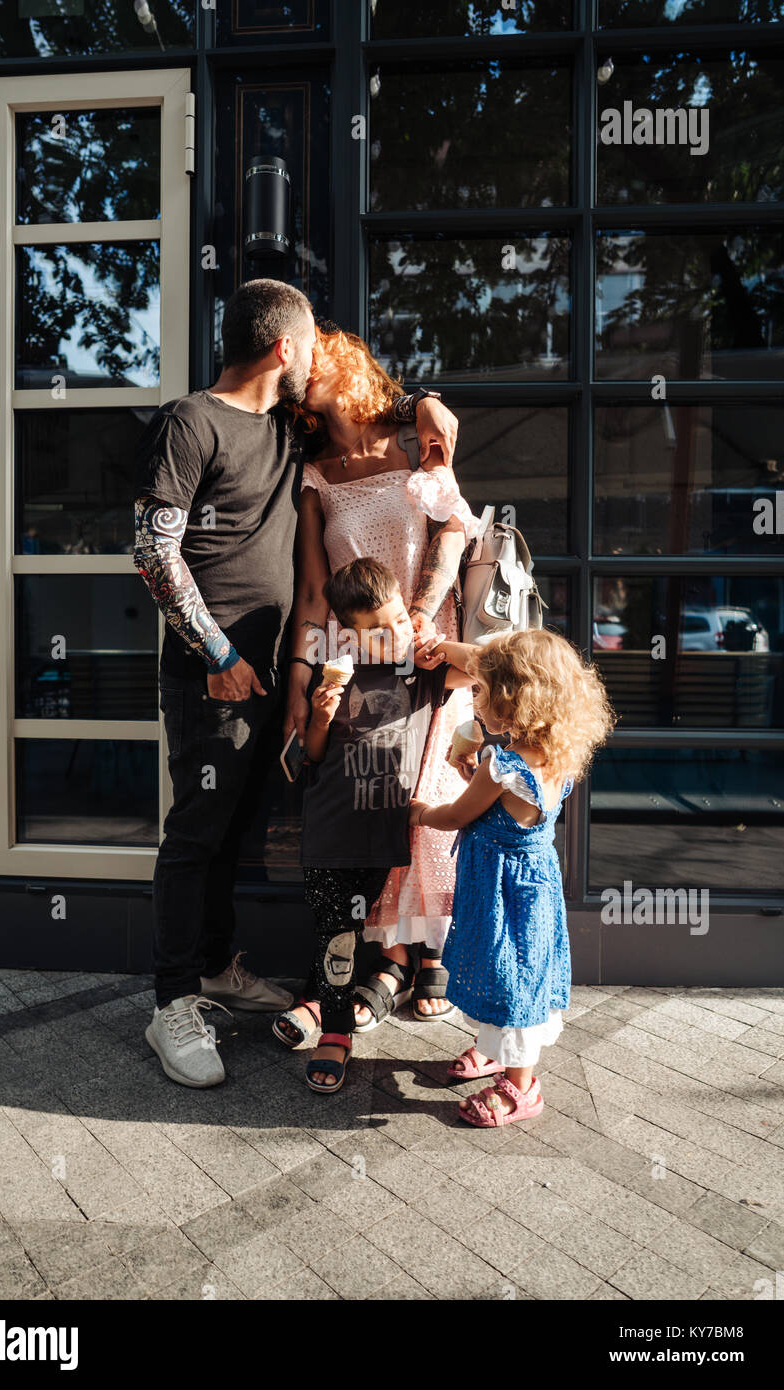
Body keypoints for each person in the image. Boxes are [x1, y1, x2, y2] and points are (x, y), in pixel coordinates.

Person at [132, 278, 460, 1087]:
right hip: (214, 674)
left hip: (278, 672)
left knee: (237, 830)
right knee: (196, 835)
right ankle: (171, 1000)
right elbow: (151, 551)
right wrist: (218, 656)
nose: (316, 357)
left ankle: (213, 969)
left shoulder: (285, 428)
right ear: (285, 346)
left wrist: (425, 404)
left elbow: (377, 404)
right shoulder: (190, 421)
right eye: (310, 341)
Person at [278, 325, 478, 1047]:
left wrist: (423, 612)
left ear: (347, 363)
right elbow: (309, 592)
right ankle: (388, 958)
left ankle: (430, 956)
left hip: (427, 643)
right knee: (377, 791)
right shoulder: (313, 472)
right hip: (353, 657)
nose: (305, 369)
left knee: (433, 787)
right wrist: (298, 688)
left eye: (317, 356)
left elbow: (453, 529)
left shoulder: (409, 439)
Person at [409, 628, 615, 1127]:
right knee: (520, 969)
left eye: (481, 690)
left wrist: (417, 812)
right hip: (534, 885)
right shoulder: (555, 754)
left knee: (509, 975)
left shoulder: (502, 765)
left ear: (511, 700)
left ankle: (522, 1088)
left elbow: (458, 816)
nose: (474, 695)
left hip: (500, 887)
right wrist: (472, 775)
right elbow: (501, 806)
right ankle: (498, 1049)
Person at [290, 557, 475, 1093]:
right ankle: (335, 1033)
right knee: (336, 939)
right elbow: (314, 756)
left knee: (357, 931)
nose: (391, 635)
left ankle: (353, 1005)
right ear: (347, 633)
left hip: (384, 834)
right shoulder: (334, 672)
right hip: (329, 831)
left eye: (396, 620)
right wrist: (320, 717)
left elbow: (493, 665)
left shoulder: (421, 671)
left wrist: (436, 643)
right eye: (376, 630)